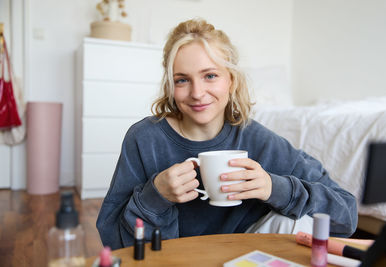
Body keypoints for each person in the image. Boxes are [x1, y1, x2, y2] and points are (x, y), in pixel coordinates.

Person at [96, 18, 358, 250]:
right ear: (170, 85)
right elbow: (112, 239)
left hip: (243, 255)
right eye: (182, 80)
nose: (197, 93)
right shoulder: (145, 139)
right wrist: (155, 196)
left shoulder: (258, 140)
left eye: (210, 75)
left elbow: (346, 214)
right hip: (171, 257)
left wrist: (274, 188)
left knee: (295, 221)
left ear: (230, 80)